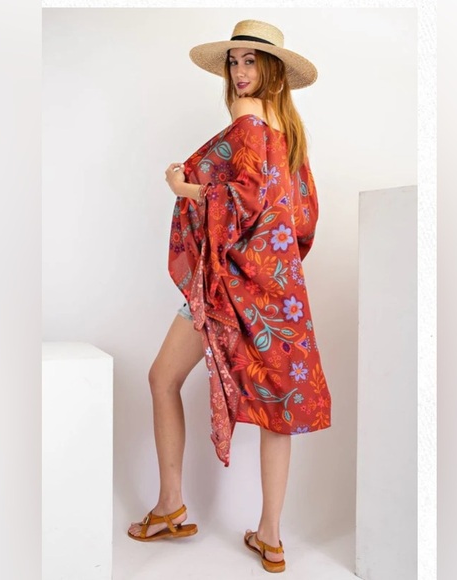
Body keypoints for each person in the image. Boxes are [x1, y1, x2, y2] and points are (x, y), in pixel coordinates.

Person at [128, 19, 331, 574]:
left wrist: (183, 187)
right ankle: (271, 537)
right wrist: (273, 270)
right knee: (277, 414)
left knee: (161, 378)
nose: (239, 72)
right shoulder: (291, 134)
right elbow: (302, 219)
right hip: (278, 291)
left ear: (273, 70)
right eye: (234, 61)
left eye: (250, 61)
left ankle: (170, 506)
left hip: (228, 284)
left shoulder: (247, 116)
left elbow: (242, 199)